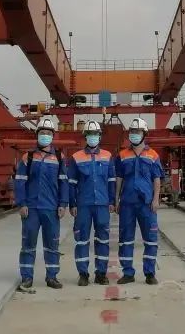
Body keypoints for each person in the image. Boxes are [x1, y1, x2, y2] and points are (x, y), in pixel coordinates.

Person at [14, 117, 68, 290]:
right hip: (31, 208)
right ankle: (27, 278)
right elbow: (20, 181)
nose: (45, 135)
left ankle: (51, 277)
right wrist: (21, 203)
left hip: (51, 208)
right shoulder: (28, 157)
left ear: (53, 136)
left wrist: (63, 203)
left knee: (52, 243)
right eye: (42, 132)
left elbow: (64, 182)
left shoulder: (59, 157)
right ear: (37, 135)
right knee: (28, 244)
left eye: (48, 133)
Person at [114, 116, 163, 285]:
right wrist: (116, 199)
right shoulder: (122, 155)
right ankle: (128, 273)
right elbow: (119, 178)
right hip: (127, 202)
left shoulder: (153, 155)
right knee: (126, 238)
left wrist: (156, 199)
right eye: (132, 131)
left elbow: (157, 179)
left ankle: (149, 273)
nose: (134, 134)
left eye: (138, 131)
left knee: (150, 238)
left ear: (144, 134)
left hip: (147, 204)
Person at [67, 120, 115, 286]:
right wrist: (71, 204)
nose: (92, 137)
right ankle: (83, 274)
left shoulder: (108, 156)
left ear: (100, 136)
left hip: (102, 204)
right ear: (85, 137)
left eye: (95, 134)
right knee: (81, 240)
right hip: (83, 205)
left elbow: (111, 181)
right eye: (89, 134)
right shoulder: (76, 158)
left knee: (103, 240)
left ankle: (101, 273)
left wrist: (112, 201)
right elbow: (71, 183)